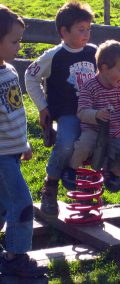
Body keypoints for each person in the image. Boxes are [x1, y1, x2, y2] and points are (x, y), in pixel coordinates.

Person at [25, 0, 97, 217]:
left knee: (99, 145)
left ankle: (87, 186)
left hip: (92, 112)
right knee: (66, 142)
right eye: (81, 30)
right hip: (67, 112)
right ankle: (51, 185)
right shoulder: (54, 56)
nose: (86, 34)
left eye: (88, 29)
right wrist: (43, 107)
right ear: (64, 31)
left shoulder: (94, 52)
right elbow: (30, 75)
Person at [0, 5, 48, 277]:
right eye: (14, 41)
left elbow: (14, 114)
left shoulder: (9, 71)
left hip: (11, 152)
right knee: (21, 204)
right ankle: (15, 257)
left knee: (4, 205)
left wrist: (23, 144)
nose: (19, 46)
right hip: (0, 156)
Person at [63, 39, 120, 192]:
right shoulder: (90, 87)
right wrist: (96, 114)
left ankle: (114, 174)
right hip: (93, 130)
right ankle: (71, 169)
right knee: (84, 145)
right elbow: (82, 111)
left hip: (117, 131)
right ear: (104, 68)